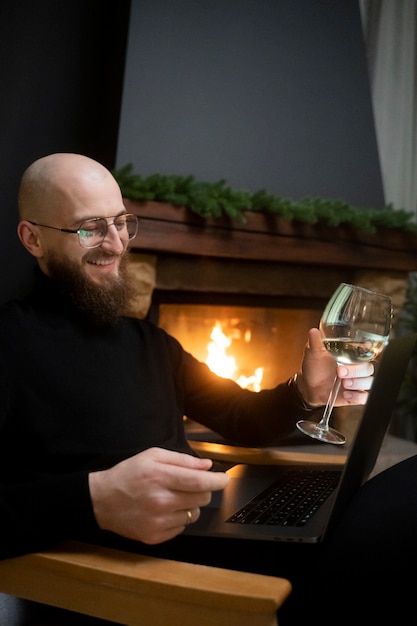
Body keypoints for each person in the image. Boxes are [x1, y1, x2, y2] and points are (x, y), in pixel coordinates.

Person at [0, 153, 377, 622]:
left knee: (378, 520)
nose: (116, 244)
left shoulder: (151, 342)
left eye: (121, 222)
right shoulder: (9, 343)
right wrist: (93, 500)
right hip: (129, 587)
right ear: (32, 238)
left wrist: (307, 391)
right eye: (90, 228)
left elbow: (241, 417)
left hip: (208, 544)